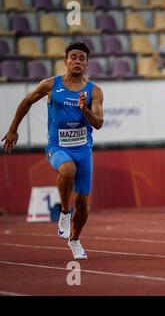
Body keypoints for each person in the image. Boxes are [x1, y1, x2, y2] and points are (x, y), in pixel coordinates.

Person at [2, 42, 104, 260]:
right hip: (57, 146)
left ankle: (75, 241)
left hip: (83, 149)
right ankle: (64, 213)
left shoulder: (94, 91)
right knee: (67, 171)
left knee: (83, 206)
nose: (77, 61)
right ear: (66, 60)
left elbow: (99, 123)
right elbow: (27, 101)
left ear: (87, 63)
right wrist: (13, 129)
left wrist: (85, 110)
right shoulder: (51, 85)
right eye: (73, 57)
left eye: (82, 58)